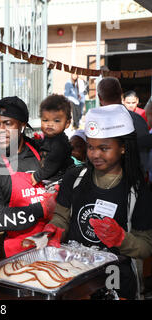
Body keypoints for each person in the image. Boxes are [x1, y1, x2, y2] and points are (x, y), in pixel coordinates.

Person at [38, 104, 152, 299]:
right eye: (90, 147)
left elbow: (146, 246)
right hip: (73, 274)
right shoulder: (74, 177)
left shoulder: (137, 190)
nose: (95, 154)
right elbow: (61, 218)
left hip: (114, 278)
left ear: (123, 148)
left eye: (104, 148)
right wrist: (54, 230)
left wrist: (121, 239)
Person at [0, 96, 58, 258]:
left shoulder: (42, 152)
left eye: (8, 123)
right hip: (17, 256)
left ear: (22, 125)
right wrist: (42, 209)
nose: (1, 130)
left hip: (55, 247)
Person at [97, 77, 150, 173]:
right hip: (135, 176)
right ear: (121, 95)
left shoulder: (95, 122)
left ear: (99, 97)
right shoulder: (138, 120)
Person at [31, 94, 74, 186]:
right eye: (45, 120)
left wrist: (36, 176)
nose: (50, 124)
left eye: (56, 121)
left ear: (67, 123)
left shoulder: (59, 143)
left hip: (59, 181)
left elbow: (52, 164)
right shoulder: (49, 137)